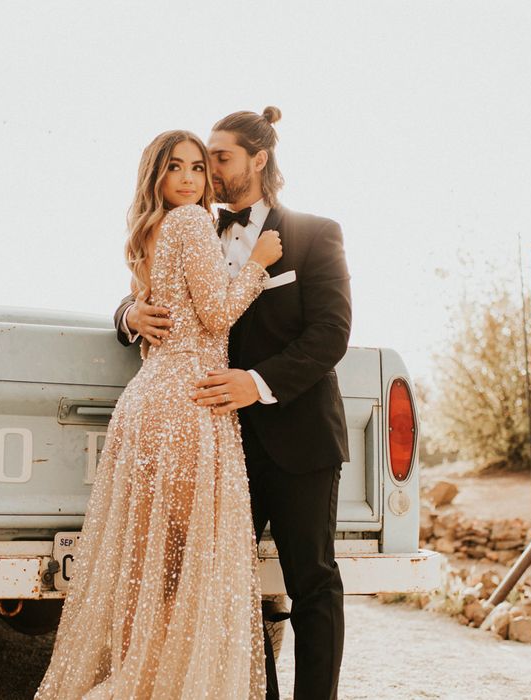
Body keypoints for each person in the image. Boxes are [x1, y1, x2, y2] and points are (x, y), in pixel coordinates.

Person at [115, 107, 352, 700]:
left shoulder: (316, 234)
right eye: (201, 159)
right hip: (217, 441)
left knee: (313, 583)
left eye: (219, 157)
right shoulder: (191, 226)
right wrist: (126, 314)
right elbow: (162, 289)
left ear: (259, 159)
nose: (209, 170)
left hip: (298, 435)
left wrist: (258, 382)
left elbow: (330, 335)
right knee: (224, 585)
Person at [36, 130, 282, 699]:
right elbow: (218, 315)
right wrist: (259, 265)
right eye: (177, 167)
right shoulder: (194, 223)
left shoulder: (149, 231)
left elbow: (161, 311)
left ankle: (136, 682)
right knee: (186, 567)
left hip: (148, 402)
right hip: (189, 406)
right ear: (157, 175)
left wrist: (130, 311)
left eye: (199, 167)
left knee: (146, 568)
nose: (191, 178)